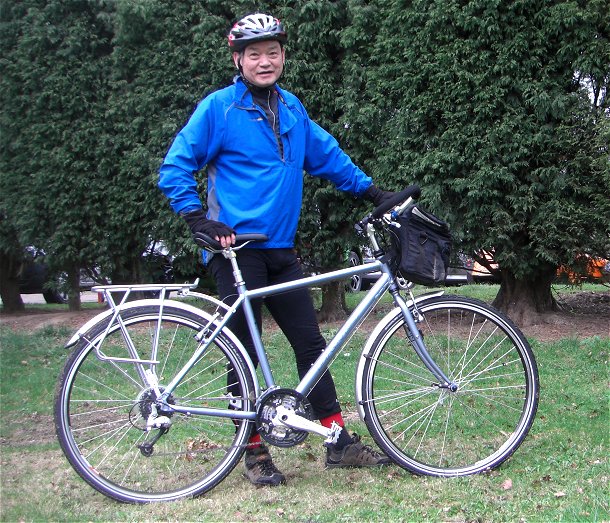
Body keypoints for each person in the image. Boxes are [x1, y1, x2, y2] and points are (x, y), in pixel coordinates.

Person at [159, 13, 394, 487]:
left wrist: (372, 192)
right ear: (238, 60)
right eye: (254, 54)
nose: (264, 61)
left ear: (283, 56)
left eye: (273, 52)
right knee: (243, 352)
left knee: (311, 346)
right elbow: (176, 165)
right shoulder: (219, 108)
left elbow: (327, 155)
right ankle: (252, 451)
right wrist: (198, 219)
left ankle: (338, 442)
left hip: (282, 249)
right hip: (237, 251)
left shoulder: (292, 109)